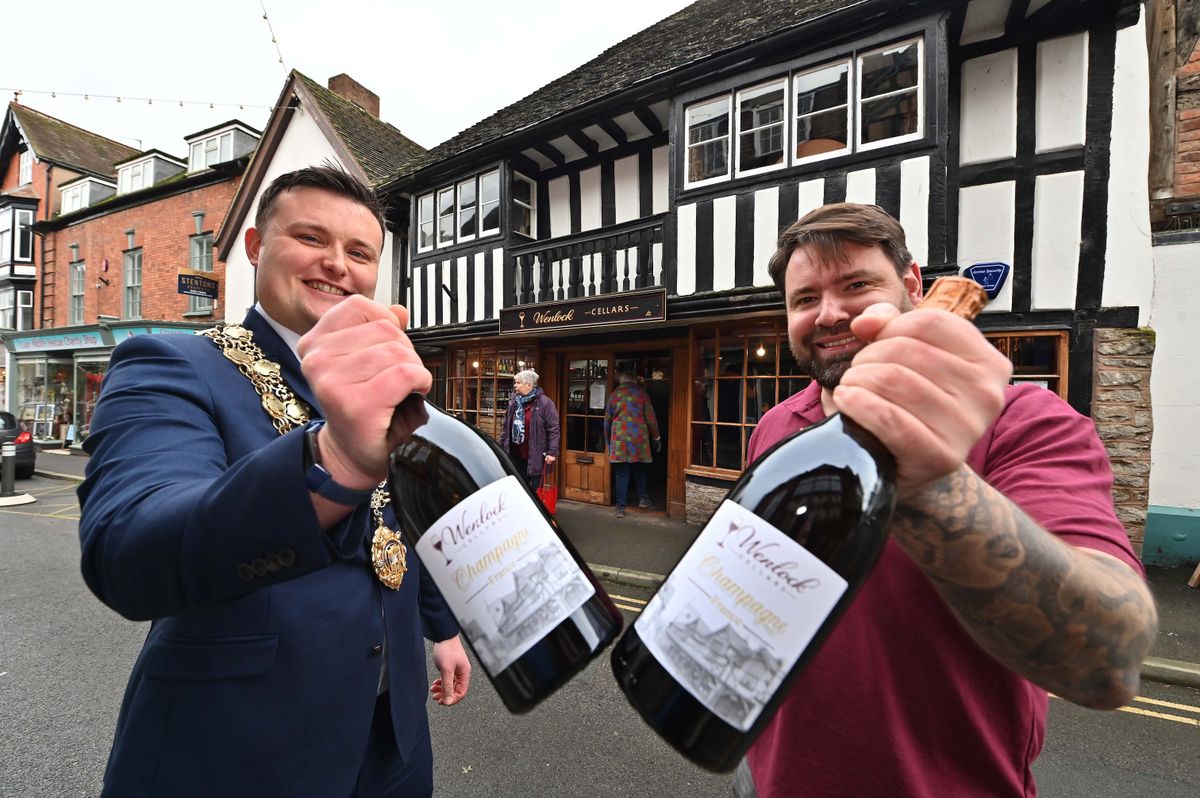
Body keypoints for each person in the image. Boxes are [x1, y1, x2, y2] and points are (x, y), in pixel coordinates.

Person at [77, 166, 471, 798]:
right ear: (256, 247)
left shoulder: (393, 384)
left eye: (360, 252)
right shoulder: (171, 364)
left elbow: (400, 525)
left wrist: (442, 628)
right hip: (235, 753)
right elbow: (128, 549)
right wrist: (333, 461)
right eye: (313, 239)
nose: (338, 264)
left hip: (390, 748)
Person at [739, 203, 1158, 797]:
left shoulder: (1027, 422)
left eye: (856, 285)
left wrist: (928, 485)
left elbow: (1107, 660)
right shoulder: (777, 425)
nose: (829, 314)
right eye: (804, 299)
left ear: (912, 284)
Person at [605, 371, 661, 517]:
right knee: (640, 467)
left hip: (619, 439)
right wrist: (656, 438)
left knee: (621, 473)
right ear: (634, 382)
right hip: (639, 438)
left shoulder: (613, 396)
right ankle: (643, 499)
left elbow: (607, 422)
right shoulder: (642, 395)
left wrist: (607, 442)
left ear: (621, 382)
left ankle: (620, 508)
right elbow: (651, 419)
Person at [498, 368, 559, 488]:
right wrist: (500, 449)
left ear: (529, 385)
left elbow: (553, 430)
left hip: (536, 457)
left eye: (518, 382)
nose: (515, 385)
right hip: (515, 455)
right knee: (519, 489)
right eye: (515, 382)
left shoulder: (545, 403)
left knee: (535, 492)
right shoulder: (513, 402)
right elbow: (505, 427)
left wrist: (552, 452)